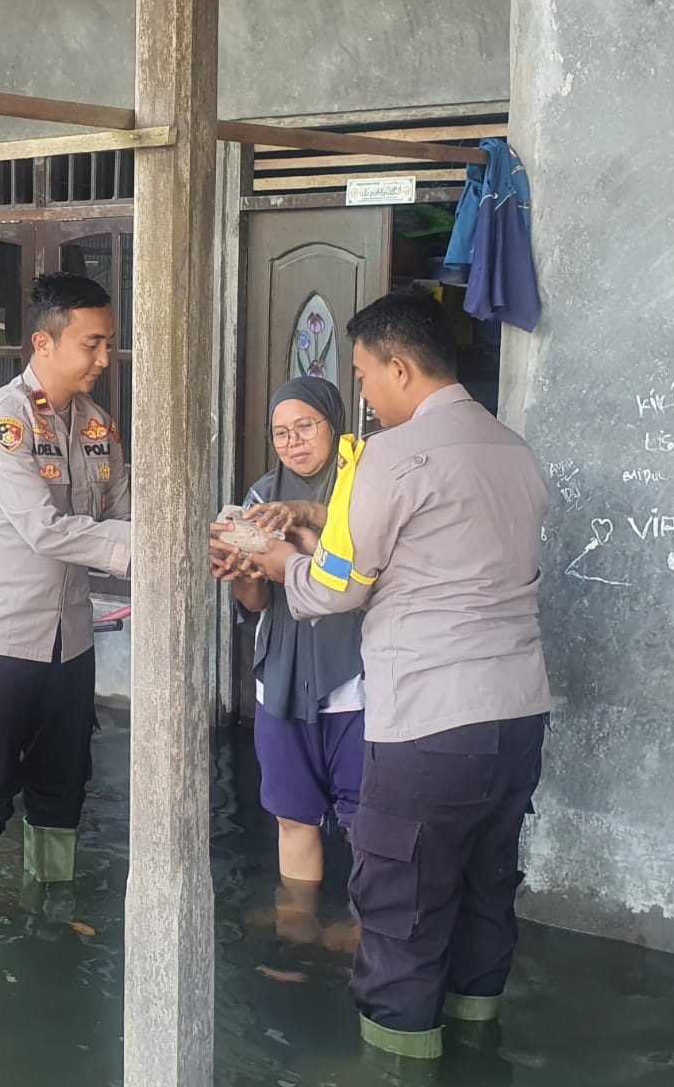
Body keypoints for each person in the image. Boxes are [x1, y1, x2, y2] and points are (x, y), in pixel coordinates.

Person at [226, 290, 550, 1061]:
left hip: (430, 722)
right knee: (482, 895)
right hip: (516, 716)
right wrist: (312, 523)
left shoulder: (393, 456)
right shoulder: (514, 450)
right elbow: (436, 548)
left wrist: (281, 562)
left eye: (366, 376)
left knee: (401, 911)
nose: (363, 393)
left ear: (400, 367)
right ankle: (477, 1052)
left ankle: (395, 1070)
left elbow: (337, 584)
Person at [0, 272, 131, 910]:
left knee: (63, 788)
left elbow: (125, 510)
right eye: (93, 344)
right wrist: (152, 550)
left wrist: (202, 538)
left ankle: (54, 920)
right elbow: (45, 531)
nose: (105, 359)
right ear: (43, 344)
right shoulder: (1, 421)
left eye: (109, 344)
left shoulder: (97, 425)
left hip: (70, 643)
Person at [210, 377, 364, 949]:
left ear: (334, 422)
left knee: (365, 819)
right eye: (281, 432)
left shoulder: (363, 486)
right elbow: (256, 605)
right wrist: (244, 577)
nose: (294, 442)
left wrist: (305, 522)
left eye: (306, 427)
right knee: (293, 814)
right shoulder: (259, 498)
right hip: (281, 676)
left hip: (356, 678)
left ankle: (367, 926)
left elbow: (366, 557)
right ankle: (298, 923)